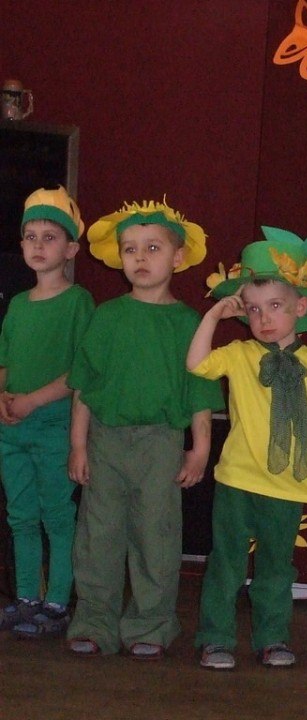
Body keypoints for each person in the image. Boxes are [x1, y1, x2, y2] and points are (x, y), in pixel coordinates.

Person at [65, 199, 223, 659]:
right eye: (130, 248)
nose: (140, 257)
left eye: (153, 248)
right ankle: (94, 621)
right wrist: (78, 445)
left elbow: (199, 390)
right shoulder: (106, 316)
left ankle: (150, 624)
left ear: (177, 256)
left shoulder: (187, 322)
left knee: (157, 535)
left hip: (160, 442)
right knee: (98, 535)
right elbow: (85, 386)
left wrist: (200, 449)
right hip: (105, 441)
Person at [188, 228, 307, 670]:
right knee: (226, 563)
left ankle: (273, 638)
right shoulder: (238, 354)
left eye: (275, 306)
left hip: (287, 484)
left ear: (300, 307)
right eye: (254, 309)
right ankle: (216, 638)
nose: (264, 318)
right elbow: (196, 363)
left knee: (276, 567)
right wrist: (214, 315)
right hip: (238, 479)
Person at [0, 187, 94, 638]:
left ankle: (56, 601)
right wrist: (4, 398)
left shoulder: (78, 302)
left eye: (50, 237)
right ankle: (26, 598)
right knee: (21, 515)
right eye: (30, 237)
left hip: (54, 425)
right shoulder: (18, 304)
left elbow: (81, 372)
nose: (38, 245)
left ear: (71, 249)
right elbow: (5, 361)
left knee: (56, 515)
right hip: (12, 428)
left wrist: (33, 400)